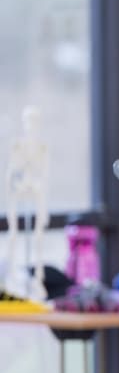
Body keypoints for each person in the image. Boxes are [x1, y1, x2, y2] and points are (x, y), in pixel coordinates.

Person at [4, 106, 49, 302]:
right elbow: (10, 174)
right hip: (19, 190)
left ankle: (37, 279)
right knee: (14, 235)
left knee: (38, 236)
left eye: (35, 121)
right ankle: (12, 277)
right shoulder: (17, 146)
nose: (31, 126)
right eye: (28, 121)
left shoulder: (42, 147)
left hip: (35, 190)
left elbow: (44, 174)